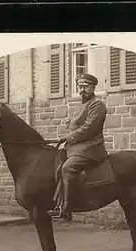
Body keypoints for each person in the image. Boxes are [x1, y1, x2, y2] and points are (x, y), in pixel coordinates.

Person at [48, 73, 108, 218]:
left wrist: (68, 137)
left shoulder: (97, 105)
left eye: (86, 87)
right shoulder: (80, 106)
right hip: (75, 148)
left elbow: (89, 129)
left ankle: (66, 209)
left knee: (68, 168)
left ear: (93, 87)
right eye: (80, 87)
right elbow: (72, 126)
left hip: (90, 148)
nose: (82, 90)